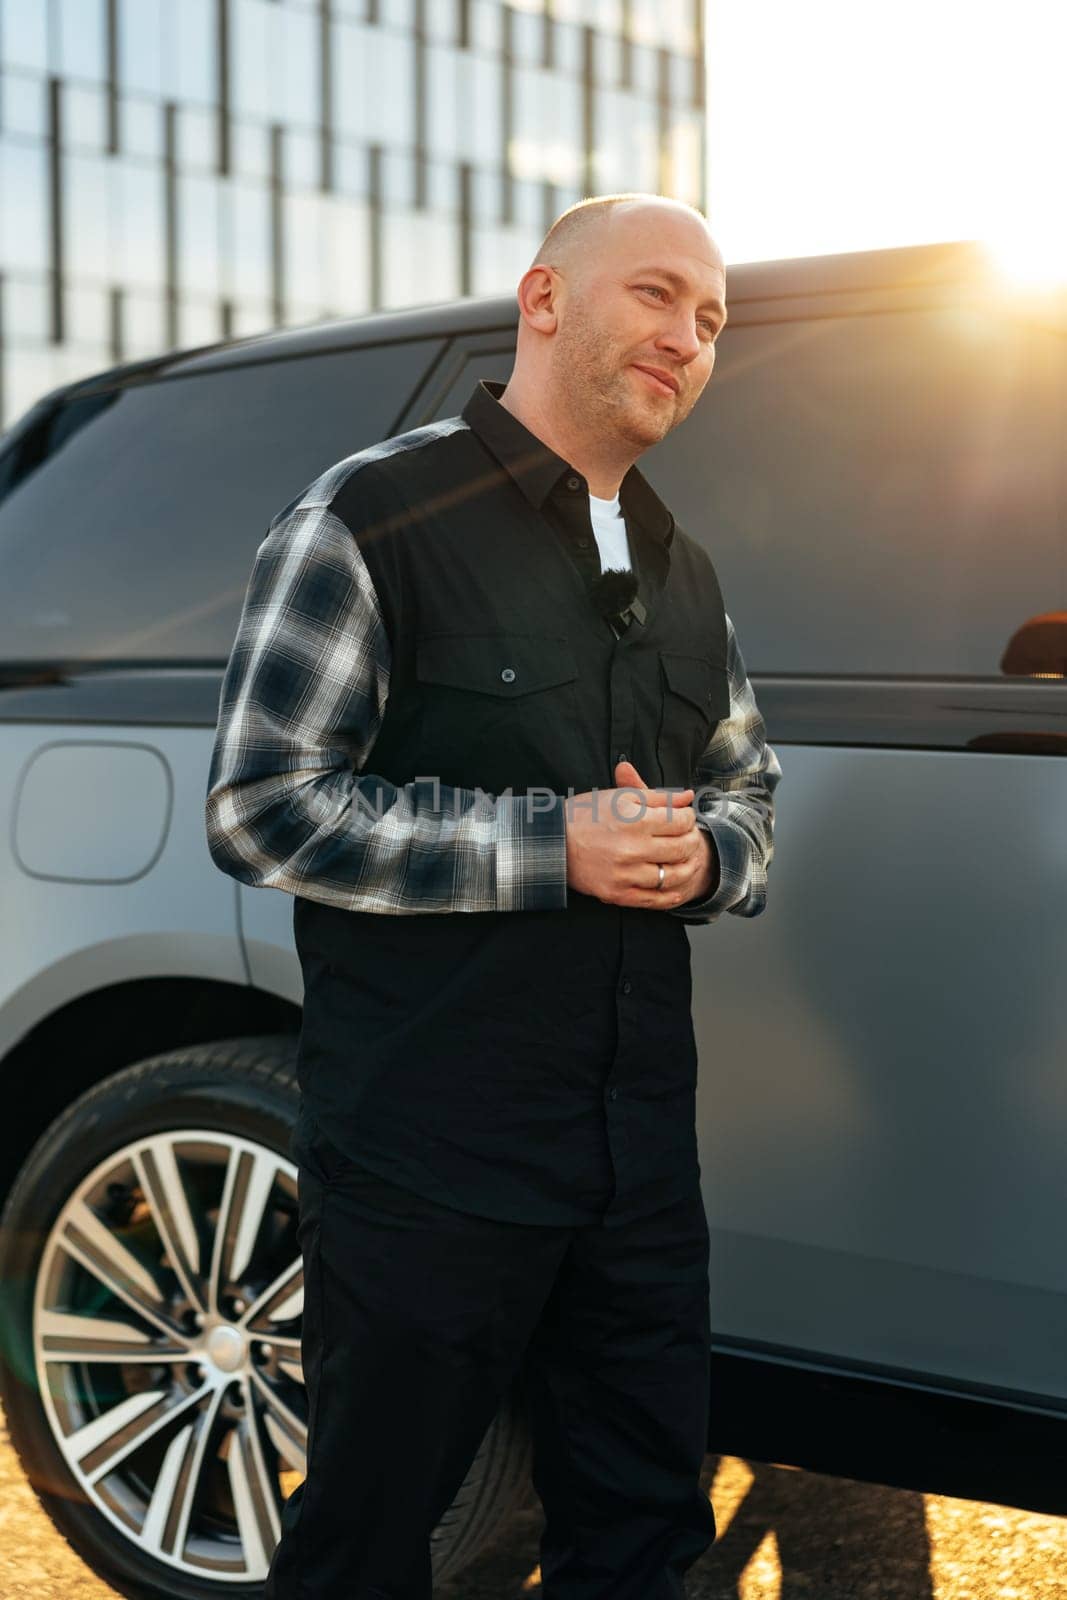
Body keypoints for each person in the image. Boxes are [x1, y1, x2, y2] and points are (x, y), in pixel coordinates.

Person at [205, 190, 782, 1600]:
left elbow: (752, 795)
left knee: (642, 1541)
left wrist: (709, 856)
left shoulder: (684, 570)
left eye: (710, 321)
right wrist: (552, 847)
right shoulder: (372, 514)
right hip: (425, 1165)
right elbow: (262, 806)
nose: (689, 339)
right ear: (544, 301)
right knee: (367, 1546)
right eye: (657, 295)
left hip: (637, 1166)